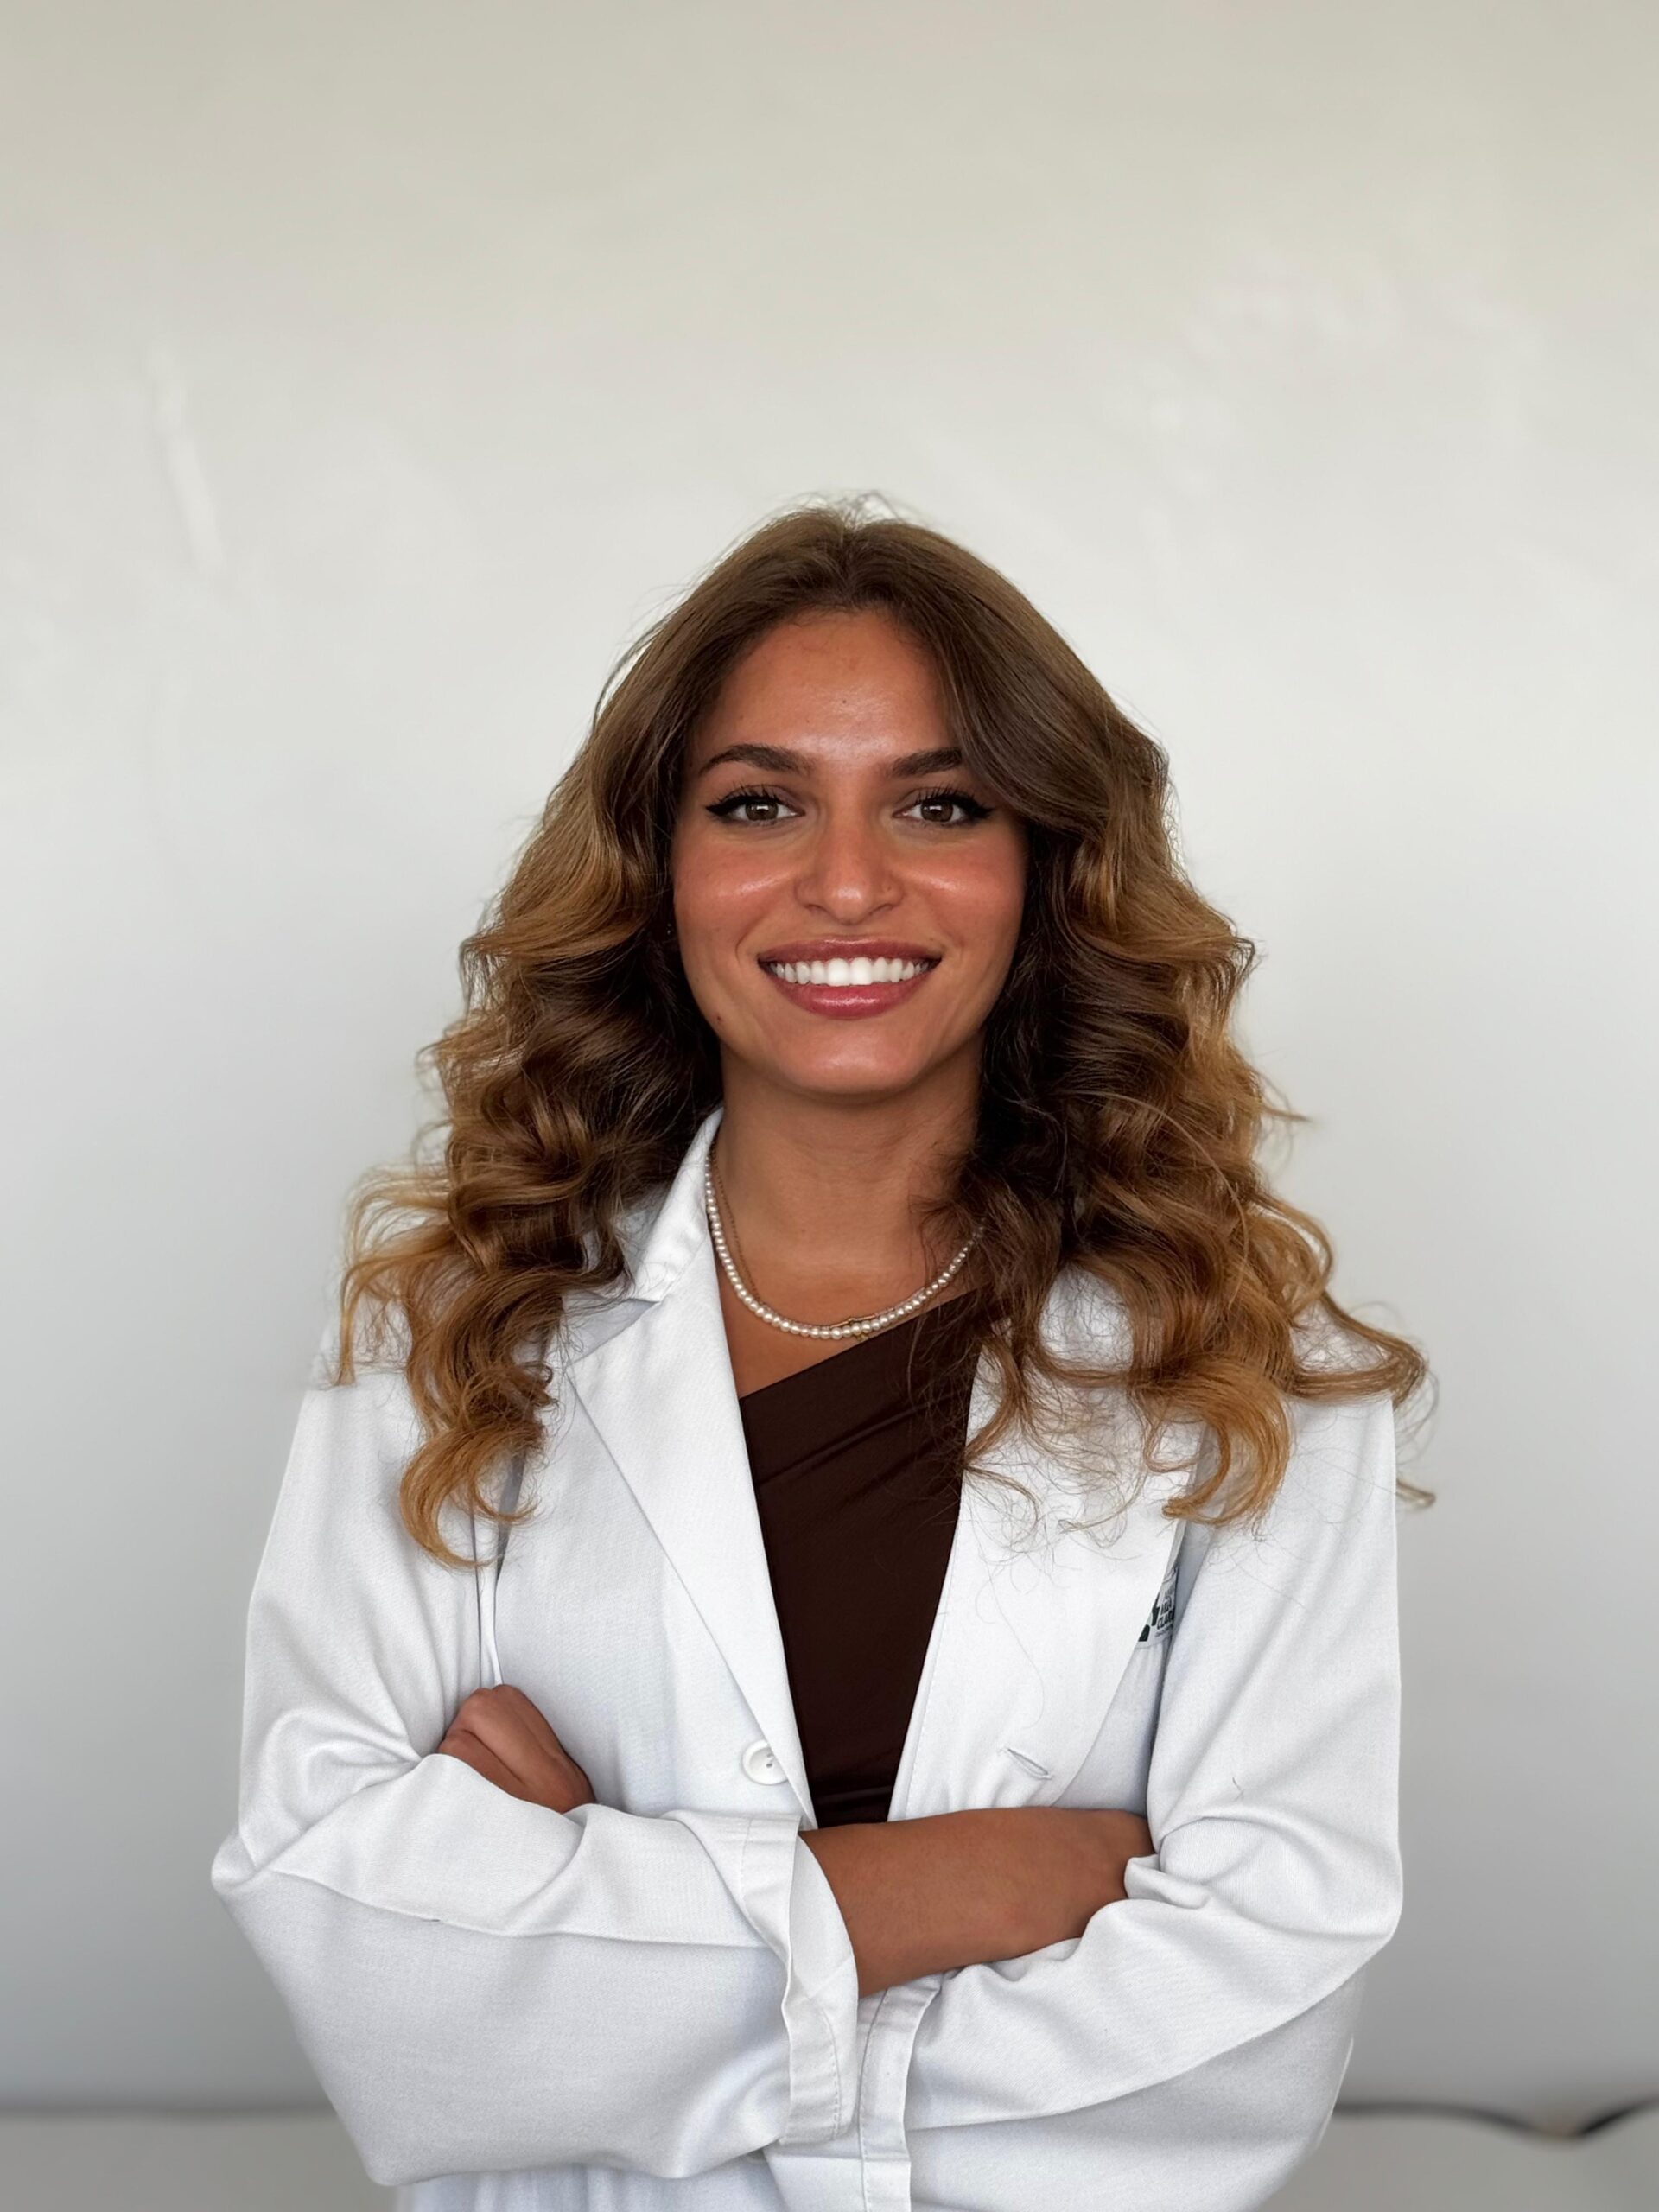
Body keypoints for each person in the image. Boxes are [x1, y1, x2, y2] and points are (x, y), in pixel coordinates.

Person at [211, 497, 1431, 2212]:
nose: (847, 882)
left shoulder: (1248, 1371)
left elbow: (1250, 2023)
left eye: (941, 803)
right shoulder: (453, 1334)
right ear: (660, 868)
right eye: (759, 803)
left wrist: (602, 1931)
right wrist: (955, 1889)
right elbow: (366, 1961)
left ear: (1046, 868)